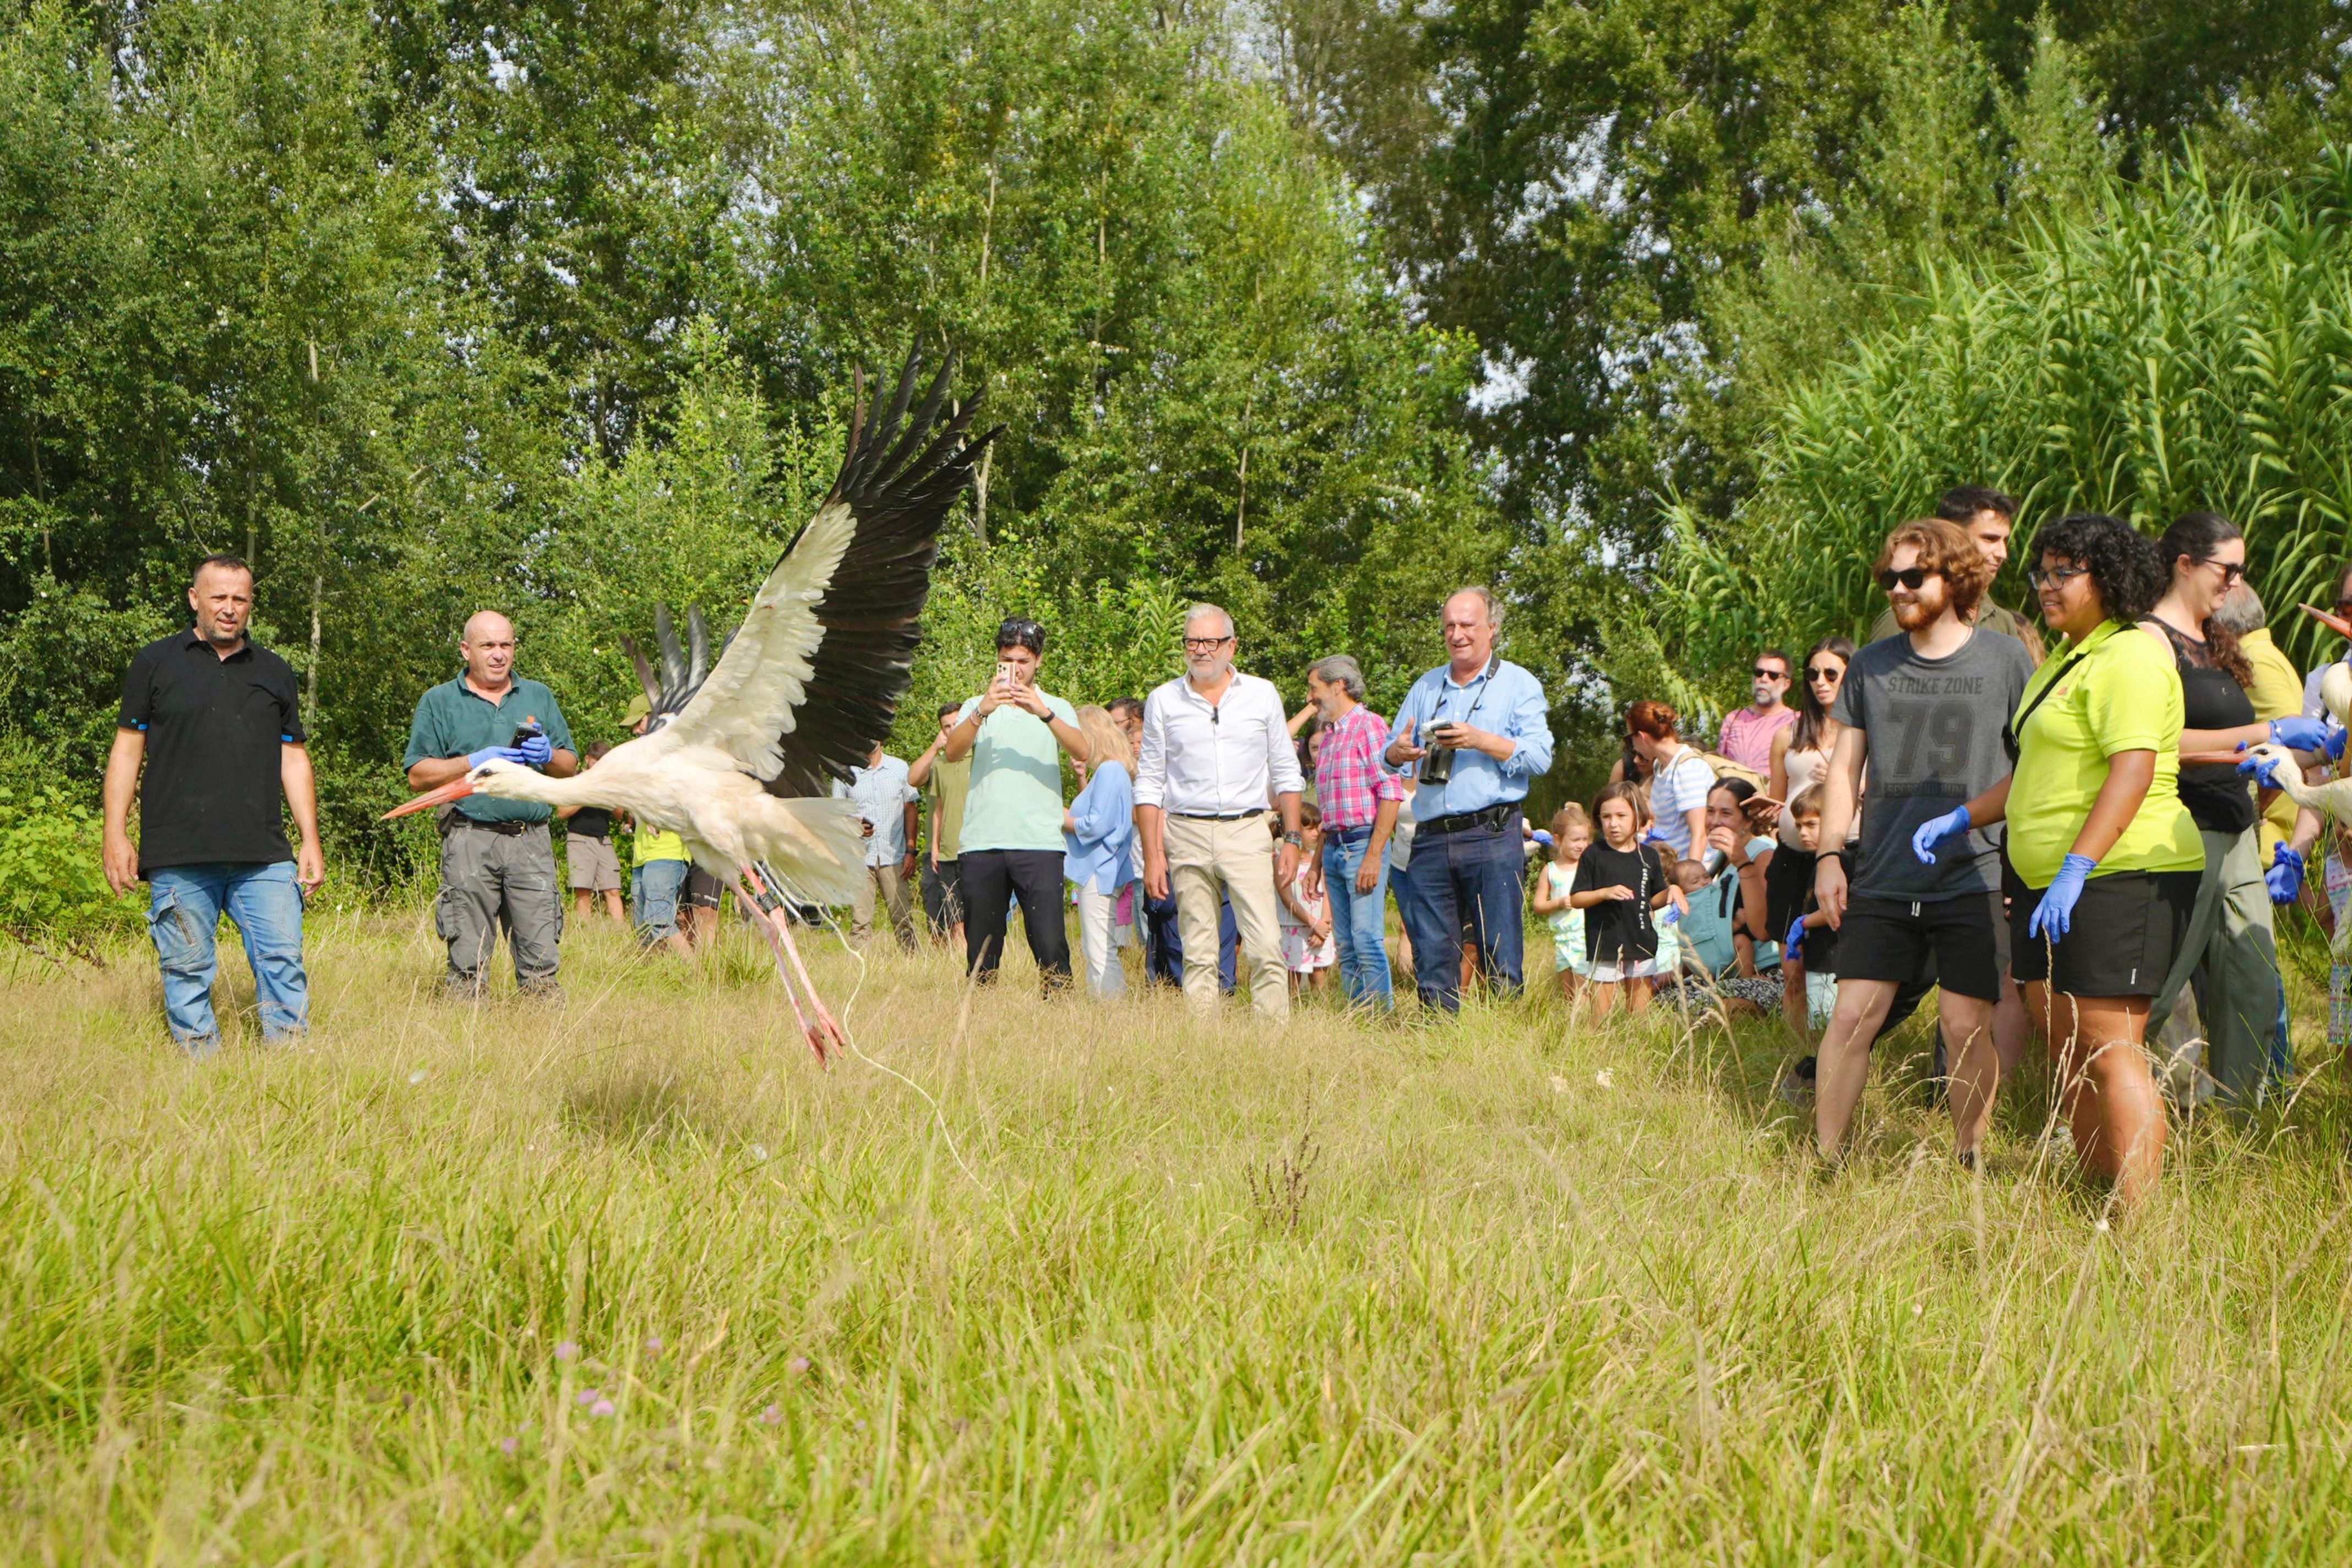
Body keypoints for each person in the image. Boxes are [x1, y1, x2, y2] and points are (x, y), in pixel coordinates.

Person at [1921, 513, 2203, 1208]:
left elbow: (2133, 769)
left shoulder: (2132, 653)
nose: (2045, 585)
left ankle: (2138, 1220)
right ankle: (2094, 1196)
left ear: (2106, 578)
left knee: (2110, 1045)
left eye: (2062, 573)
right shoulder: (2066, 656)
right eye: (2040, 572)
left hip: (2118, 873)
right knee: (2066, 1043)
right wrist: (1964, 815)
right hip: (2043, 877)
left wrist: (2078, 865)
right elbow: (2035, 774)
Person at [1814, 518, 2034, 1170]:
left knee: (1965, 1026)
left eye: (1915, 577)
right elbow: (1844, 771)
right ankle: (1826, 1162)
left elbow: (2034, 769)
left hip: (1977, 873)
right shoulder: (1872, 666)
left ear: (1955, 577)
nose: (1899, 590)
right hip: (1882, 872)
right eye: (1891, 578)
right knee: (1852, 1016)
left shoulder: (2006, 660)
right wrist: (1830, 854)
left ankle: (1970, 1156)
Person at [102, 555, 323, 1055]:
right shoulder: (155, 663)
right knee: (186, 967)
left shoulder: (274, 670)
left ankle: (292, 1065)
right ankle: (201, 1072)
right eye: (218, 597)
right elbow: (126, 753)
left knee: (282, 959)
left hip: (263, 853)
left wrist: (310, 840)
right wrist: (115, 834)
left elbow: (294, 759)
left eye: (240, 599)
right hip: (178, 850)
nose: (229, 609)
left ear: (250, 605)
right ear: (194, 599)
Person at [2140, 514, 2301, 1106]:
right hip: (2184, 831)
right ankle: (2088, 1113)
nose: (2235, 582)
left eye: (2240, 570)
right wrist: (2260, 736)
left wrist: (2271, 755)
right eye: (2225, 569)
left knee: (2254, 985)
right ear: (2185, 564)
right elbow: (2155, 742)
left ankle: (2242, 1127)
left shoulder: (2216, 640)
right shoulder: (2150, 641)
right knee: (2160, 990)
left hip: (2237, 830)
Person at [1382, 587, 1555, 1010]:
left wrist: (1481, 740)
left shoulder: (1519, 683)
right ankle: (1439, 1045)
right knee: (1433, 955)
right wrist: (1398, 753)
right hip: (1431, 838)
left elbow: (1541, 757)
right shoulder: (1426, 685)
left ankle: (1502, 1046)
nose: (1457, 634)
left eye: (1467, 625)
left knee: (1499, 951)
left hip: (1492, 834)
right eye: (1449, 627)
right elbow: (1388, 754)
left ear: (1492, 629)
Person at [1135, 604, 1305, 1021]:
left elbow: (1286, 770)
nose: (1201, 651)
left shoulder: (1262, 694)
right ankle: (1204, 1042)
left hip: (1248, 829)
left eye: (1211, 642)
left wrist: (1294, 838)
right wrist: (1154, 855)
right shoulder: (1163, 700)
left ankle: (1272, 1037)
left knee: (1265, 944)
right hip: (1186, 832)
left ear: (1232, 646)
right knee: (1197, 949)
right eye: (1193, 641)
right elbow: (1150, 782)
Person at [402, 610, 578, 998]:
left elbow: (569, 766)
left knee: (541, 963)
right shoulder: (439, 701)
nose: (499, 655)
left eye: (506, 645)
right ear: (466, 650)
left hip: (531, 839)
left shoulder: (538, 695)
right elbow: (417, 774)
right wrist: (473, 761)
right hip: (469, 837)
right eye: (488, 646)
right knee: (467, 960)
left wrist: (548, 754)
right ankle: (467, 1045)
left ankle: (545, 1044)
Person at [942, 618, 1090, 989]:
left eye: (1024, 660)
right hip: (982, 842)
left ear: (1038, 661)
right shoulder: (977, 706)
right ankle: (978, 1017)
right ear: (998, 659)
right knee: (982, 946)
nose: (1016, 669)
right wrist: (982, 711)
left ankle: (1060, 1012)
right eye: (1008, 659)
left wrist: (1043, 712)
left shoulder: (1055, 706)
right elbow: (953, 752)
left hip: (1039, 842)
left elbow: (1083, 750)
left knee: (1050, 940)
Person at [1305, 655, 1406, 1009]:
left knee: (1367, 939)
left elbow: (1391, 793)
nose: (1311, 696)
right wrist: (1317, 863)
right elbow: (1328, 813)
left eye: (1315, 688)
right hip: (1334, 846)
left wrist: (1374, 855)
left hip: (1363, 842)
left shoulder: (1369, 726)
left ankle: (1381, 1015)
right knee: (1345, 943)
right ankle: (1356, 1015)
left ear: (1339, 686)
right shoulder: (1329, 736)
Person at [1763, 637, 1853, 1037]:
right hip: (1791, 856)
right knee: (1791, 965)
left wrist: (1838, 773)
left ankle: (1835, 1044)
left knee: (1838, 962)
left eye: (1831, 673)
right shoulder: (1788, 734)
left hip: (1844, 856)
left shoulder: (1864, 731)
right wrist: (1764, 810)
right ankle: (1792, 1045)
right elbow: (1777, 797)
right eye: (1813, 673)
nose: (1821, 681)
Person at [1867, 484, 2045, 660]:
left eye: (2005, 541)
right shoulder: (1902, 620)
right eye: (1989, 539)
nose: (2002, 554)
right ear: (1952, 538)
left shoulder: (2002, 621)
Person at [1569, 782, 1683, 1017]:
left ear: (1637, 816)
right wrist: (1604, 893)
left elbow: (1654, 898)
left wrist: (1672, 892)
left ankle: (1636, 1052)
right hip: (1605, 945)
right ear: (1598, 820)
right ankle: (1598, 1051)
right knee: (1599, 1017)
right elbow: (1577, 898)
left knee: (1639, 1016)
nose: (1613, 823)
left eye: (1621, 815)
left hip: (1641, 943)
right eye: (1606, 817)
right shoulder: (1593, 854)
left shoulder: (1649, 855)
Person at [1064, 705, 1138, 999]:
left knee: (1099, 950)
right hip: (1105, 869)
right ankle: (1106, 1006)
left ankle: (1109, 1012)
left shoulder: (1109, 770)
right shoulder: (1113, 770)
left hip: (1101, 869)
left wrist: (1061, 818)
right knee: (1098, 946)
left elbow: (1098, 825)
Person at [837, 742, 919, 952]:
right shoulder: (844, 771)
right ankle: (861, 968)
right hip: (860, 857)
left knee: (903, 918)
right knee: (860, 920)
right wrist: (854, 826)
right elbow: (836, 814)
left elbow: (910, 809)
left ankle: (915, 965)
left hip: (894, 855)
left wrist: (911, 850)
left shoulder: (900, 768)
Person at [908, 703, 970, 948]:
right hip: (936, 850)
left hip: (967, 847)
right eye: (947, 726)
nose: (953, 730)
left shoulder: (976, 757)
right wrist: (936, 747)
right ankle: (943, 971)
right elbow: (913, 778)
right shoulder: (939, 762)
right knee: (937, 915)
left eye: (957, 724)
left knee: (965, 917)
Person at [1622, 701, 1712, 861]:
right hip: (1669, 867)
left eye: (1630, 739)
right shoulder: (1660, 766)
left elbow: (1700, 834)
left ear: (1642, 737)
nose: (1633, 747)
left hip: (1690, 869)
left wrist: (1689, 881)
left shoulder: (1687, 769)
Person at [1532, 804, 1593, 1004]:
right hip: (1563, 938)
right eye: (1575, 840)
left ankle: (1584, 1027)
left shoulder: (1590, 866)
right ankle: (1571, 1024)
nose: (1581, 845)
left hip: (1585, 936)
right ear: (1558, 840)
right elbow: (1539, 906)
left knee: (1583, 990)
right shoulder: (1551, 871)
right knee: (1568, 992)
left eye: (1585, 839)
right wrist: (1559, 902)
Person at [559, 742, 625, 923]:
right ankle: (585, 934)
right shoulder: (575, 780)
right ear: (587, 759)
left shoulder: (608, 782)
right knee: (583, 890)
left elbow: (619, 815)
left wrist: (611, 792)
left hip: (604, 840)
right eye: (596, 762)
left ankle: (620, 934)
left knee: (613, 889)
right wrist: (588, 794)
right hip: (579, 839)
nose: (599, 767)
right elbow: (562, 812)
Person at [1277, 805, 1337, 993]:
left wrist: (1324, 925)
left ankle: (1319, 1011)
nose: (1316, 833)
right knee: (1292, 976)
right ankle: (1293, 1011)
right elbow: (1287, 899)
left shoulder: (1318, 861)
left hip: (1320, 927)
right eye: (1310, 829)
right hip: (1293, 927)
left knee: (1319, 974)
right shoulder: (1281, 861)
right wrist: (1313, 923)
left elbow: (1328, 892)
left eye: (1318, 827)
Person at [1717, 650, 1798, 774]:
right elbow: (1719, 765)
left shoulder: (1797, 722)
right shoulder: (1733, 719)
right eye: (1759, 673)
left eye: (1773, 675)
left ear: (1786, 684)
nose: (1764, 679)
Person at [629, 813, 694, 956]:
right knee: (641, 925)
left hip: (667, 853)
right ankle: (650, 972)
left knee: (658, 918)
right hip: (641, 857)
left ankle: (697, 971)